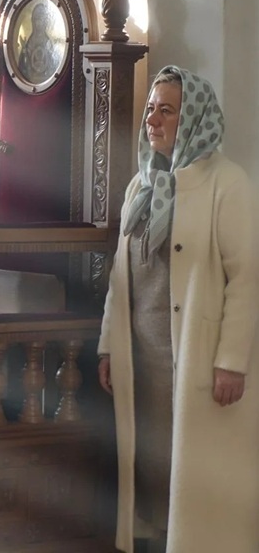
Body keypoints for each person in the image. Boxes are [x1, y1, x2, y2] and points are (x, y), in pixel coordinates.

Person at [97, 66, 259, 553]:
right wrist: (108, 346)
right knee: (153, 474)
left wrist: (231, 360)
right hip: (143, 361)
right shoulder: (139, 187)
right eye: (151, 109)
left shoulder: (227, 183)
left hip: (196, 361)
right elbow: (119, 277)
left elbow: (247, 278)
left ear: (193, 118)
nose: (152, 119)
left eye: (166, 110)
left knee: (197, 486)